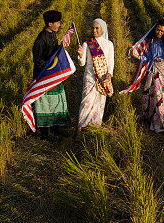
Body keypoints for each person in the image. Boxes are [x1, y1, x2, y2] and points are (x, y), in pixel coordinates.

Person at [131, 16, 164, 133]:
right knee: (155, 95)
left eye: (162, 31)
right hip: (155, 70)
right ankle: (156, 121)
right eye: (158, 30)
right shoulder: (153, 42)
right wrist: (137, 56)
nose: (159, 32)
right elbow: (148, 58)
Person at [31, 9, 70, 141]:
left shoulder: (52, 34)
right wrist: (49, 69)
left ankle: (56, 128)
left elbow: (53, 53)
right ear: (49, 24)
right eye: (57, 23)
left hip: (53, 75)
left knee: (57, 101)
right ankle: (45, 133)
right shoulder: (41, 39)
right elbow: (37, 60)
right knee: (45, 103)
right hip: (44, 76)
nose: (59, 25)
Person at [76, 18, 114, 128]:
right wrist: (80, 55)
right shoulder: (87, 44)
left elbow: (111, 63)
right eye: (92, 28)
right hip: (90, 78)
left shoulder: (109, 44)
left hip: (102, 80)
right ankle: (81, 127)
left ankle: (94, 127)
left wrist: (109, 74)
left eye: (97, 28)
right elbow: (82, 63)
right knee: (86, 104)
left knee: (100, 104)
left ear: (103, 29)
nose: (94, 31)